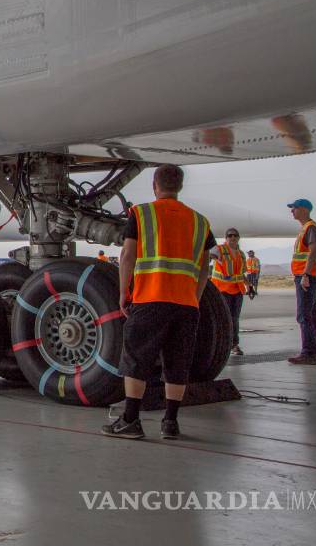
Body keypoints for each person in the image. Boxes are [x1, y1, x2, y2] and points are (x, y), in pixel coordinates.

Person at [103, 164, 215, 441]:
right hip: (186, 304)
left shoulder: (141, 214)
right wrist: (195, 296)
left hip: (150, 299)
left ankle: (130, 420)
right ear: (180, 186)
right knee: (178, 363)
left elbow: (128, 255)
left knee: (136, 360)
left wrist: (123, 291)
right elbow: (205, 267)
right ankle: (170, 422)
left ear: (155, 185)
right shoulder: (200, 221)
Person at [287, 199, 316, 365]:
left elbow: (313, 252)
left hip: (308, 277)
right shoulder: (307, 228)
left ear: (304, 209)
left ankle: (309, 353)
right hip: (311, 276)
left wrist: (305, 274)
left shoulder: (310, 228)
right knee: (313, 315)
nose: (292, 211)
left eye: (294, 208)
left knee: (304, 316)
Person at [211, 228, 248, 356]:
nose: (232, 238)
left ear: (238, 238)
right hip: (223, 290)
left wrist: (249, 286)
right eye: (230, 235)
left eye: (235, 235)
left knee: (234, 319)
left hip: (237, 291)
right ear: (226, 238)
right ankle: (222, 344)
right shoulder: (219, 249)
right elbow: (209, 256)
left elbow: (241, 273)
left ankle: (234, 345)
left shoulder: (241, 254)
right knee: (224, 319)